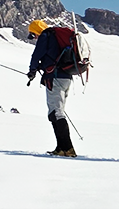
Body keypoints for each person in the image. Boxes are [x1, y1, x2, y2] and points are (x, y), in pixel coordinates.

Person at [26, 19, 77, 156]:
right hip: (66, 77)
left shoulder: (46, 35)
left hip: (55, 77)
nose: (34, 38)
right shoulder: (56, 37)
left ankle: (68, 148)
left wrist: (32, 70)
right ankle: (61, 148)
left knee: (56, 113)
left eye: (33, 34)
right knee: (58, 112)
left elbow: (37, 54)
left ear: (37, 31)